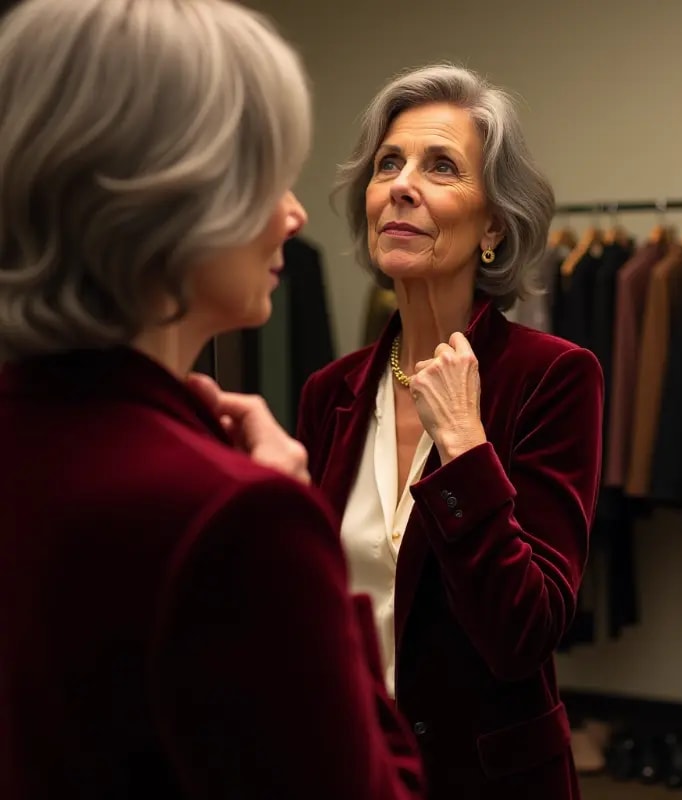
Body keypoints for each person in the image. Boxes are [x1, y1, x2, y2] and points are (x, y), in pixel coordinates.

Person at [0, 1, 425, 798]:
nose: (295, 215)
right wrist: (305, 539)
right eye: (272, 178)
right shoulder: (238, 520)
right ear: (179, 194)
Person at [297, 64, 604, 800]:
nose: (402, 185)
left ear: (494, 224)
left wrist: (466, 448)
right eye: (388, 165)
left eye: (441, 167)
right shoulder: (329, 394)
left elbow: (523, 632)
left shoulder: (552, 378)